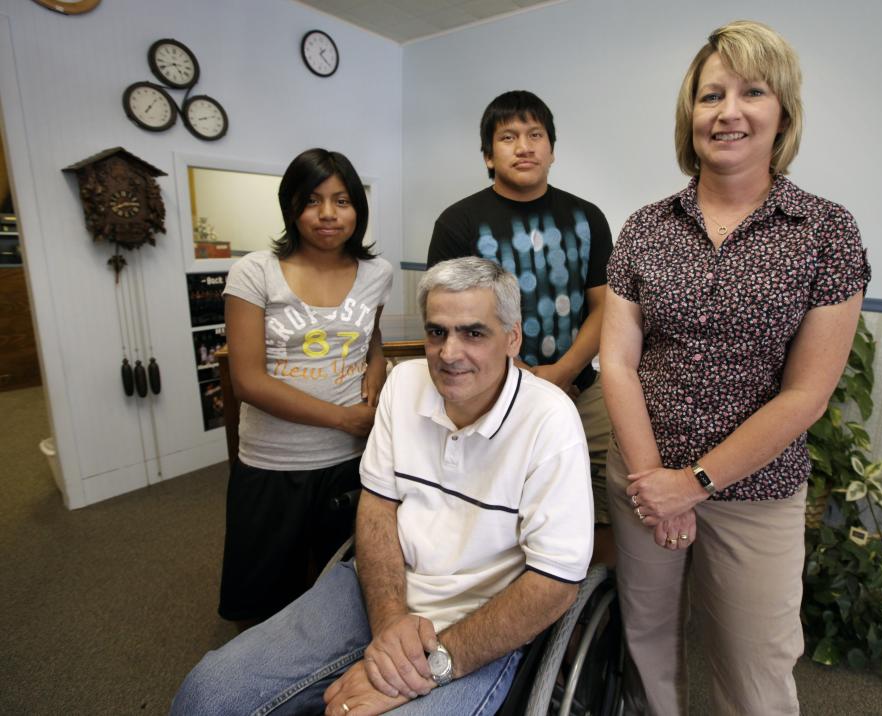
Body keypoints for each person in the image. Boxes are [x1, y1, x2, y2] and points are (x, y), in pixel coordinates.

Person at [171, 257, 594, 715]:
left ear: (512, 338)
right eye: (437, 332)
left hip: (483, 616)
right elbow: (377, 506)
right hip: (380, 587)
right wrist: (391, 620)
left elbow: (555, 584)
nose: (450, 353)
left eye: (474, 333)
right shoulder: (404, 384)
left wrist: (432, 665)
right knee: (207, 694)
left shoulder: (550, 420)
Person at [601, 20, 871, 716]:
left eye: (752, 91)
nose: (728, 112)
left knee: (756, 666)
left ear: (782, 112)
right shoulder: (644, 228)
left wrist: (692, 484)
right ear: (688, 114)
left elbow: (807, 393)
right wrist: (652, 481)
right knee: (647, 643)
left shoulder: (825, 232)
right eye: (709, 95)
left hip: (758, 490)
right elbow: (619, 365)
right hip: (641, 475)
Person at [427, 90, 615, 564]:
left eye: (535, 135)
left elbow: (604, 308)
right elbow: (450, 320)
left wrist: (564, 372)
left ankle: (598, 599)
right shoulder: (458, 222)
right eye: (508, 137)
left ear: (552, 148)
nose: (524, 146)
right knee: (507, 505)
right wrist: (526, 378)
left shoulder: (587, 217)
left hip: (582, 388)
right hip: (491, 393)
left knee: (605, 498)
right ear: (489, 156)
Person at [218, 148, 393, 628]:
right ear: (291, 206)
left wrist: (377, 364)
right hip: (276, 464)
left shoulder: (378, 273)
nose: (328, 215)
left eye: (342, 200)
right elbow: (248, 380)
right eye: (312, 200)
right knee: (266, 602)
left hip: (352, 461)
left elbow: (366, 335)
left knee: (345, 591)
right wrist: (342, 418)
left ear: (358, 207)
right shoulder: (255, 272)